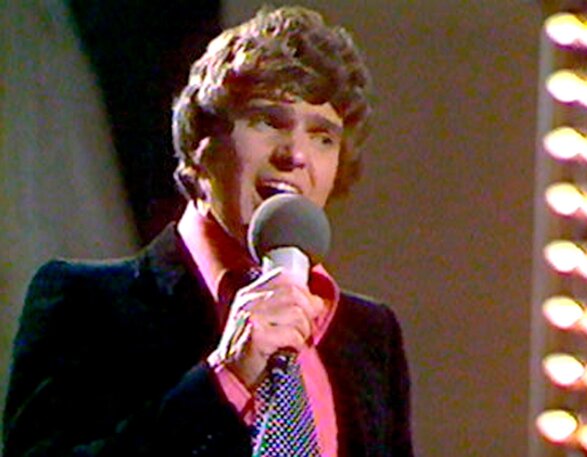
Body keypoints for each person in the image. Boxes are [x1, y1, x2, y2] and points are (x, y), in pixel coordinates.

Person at [3, 5, 413, 457]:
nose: (296, 155)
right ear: (201, 144)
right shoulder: (83, 304)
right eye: (268, 120)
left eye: (323, 137)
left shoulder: (370, 335)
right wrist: (224, 381)